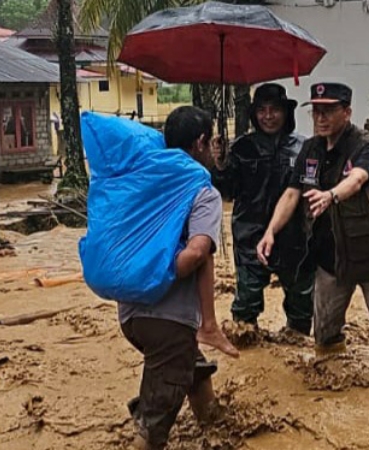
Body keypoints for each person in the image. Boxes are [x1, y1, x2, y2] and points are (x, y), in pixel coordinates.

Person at [257, 83, 369, 366]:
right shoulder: (311, 148)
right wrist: (270, 231)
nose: (321, 118)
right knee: (325, 333)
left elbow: (357, 179)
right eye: (316, 111)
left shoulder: (368, 146)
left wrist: (331, 195)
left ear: (347, 112)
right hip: (328, 257)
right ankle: (333, 376)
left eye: (329, 111)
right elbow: (293, 193)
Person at [119, 106, 237, 450]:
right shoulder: (202, 192)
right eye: (212, 141)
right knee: (154, 428)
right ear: (201, 142)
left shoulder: (146, 182)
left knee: (191, 364)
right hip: (168, 321)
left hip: (130, 315)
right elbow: (199, 252)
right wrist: (160, 275)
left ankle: (212, 422)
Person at [212, 83, 314, 336]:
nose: (268, 116)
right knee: (246, 302)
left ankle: (296, 339)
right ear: (254, 114)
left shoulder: (304, 148)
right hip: (250, 234)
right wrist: (221, 164)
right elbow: (227, 192)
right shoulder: (240, 148)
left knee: (302, 300)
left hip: (295, 235)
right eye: (262, 110)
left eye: (275, 110)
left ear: (286, 112)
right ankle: (246, 342)